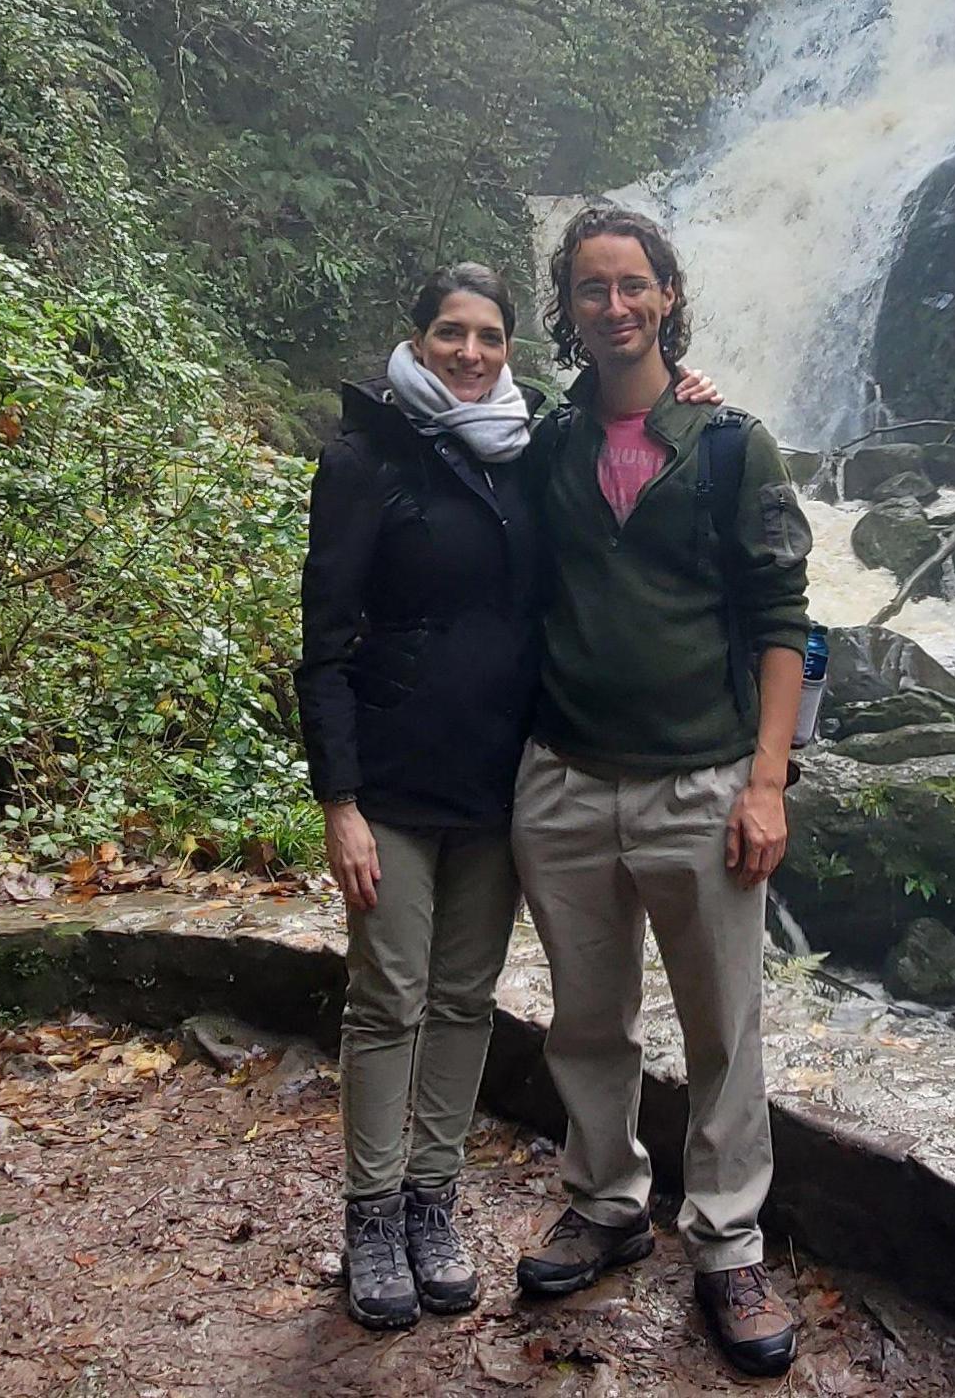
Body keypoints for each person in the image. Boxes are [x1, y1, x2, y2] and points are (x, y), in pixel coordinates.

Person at [294, 263, 718, 1332]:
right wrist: (338, 800)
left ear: (512, 348)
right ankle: (371, 1217)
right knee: (389, 995)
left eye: (489, 337)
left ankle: (432, 1203)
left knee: (464, 998)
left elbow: (626, 423)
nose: (471, 354)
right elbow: (324, 646)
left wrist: (685, 396)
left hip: (501, 776)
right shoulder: (364, 457)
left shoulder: (530, 449)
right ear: (418, 338)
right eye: (452, 333)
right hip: (391, 778)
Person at [511, 204, 813, 1379]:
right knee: (587, 1020)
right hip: (566, 778)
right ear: (570, 308)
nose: (615, 305)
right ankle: (606, 1204)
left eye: (633, 284)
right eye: (593, 288)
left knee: (723, 1030)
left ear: (668, 296)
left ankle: (729, 1243)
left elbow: (783, 620)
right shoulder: (545, 445)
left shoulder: (733, 446)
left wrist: (767, 782)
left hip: (703, 783)